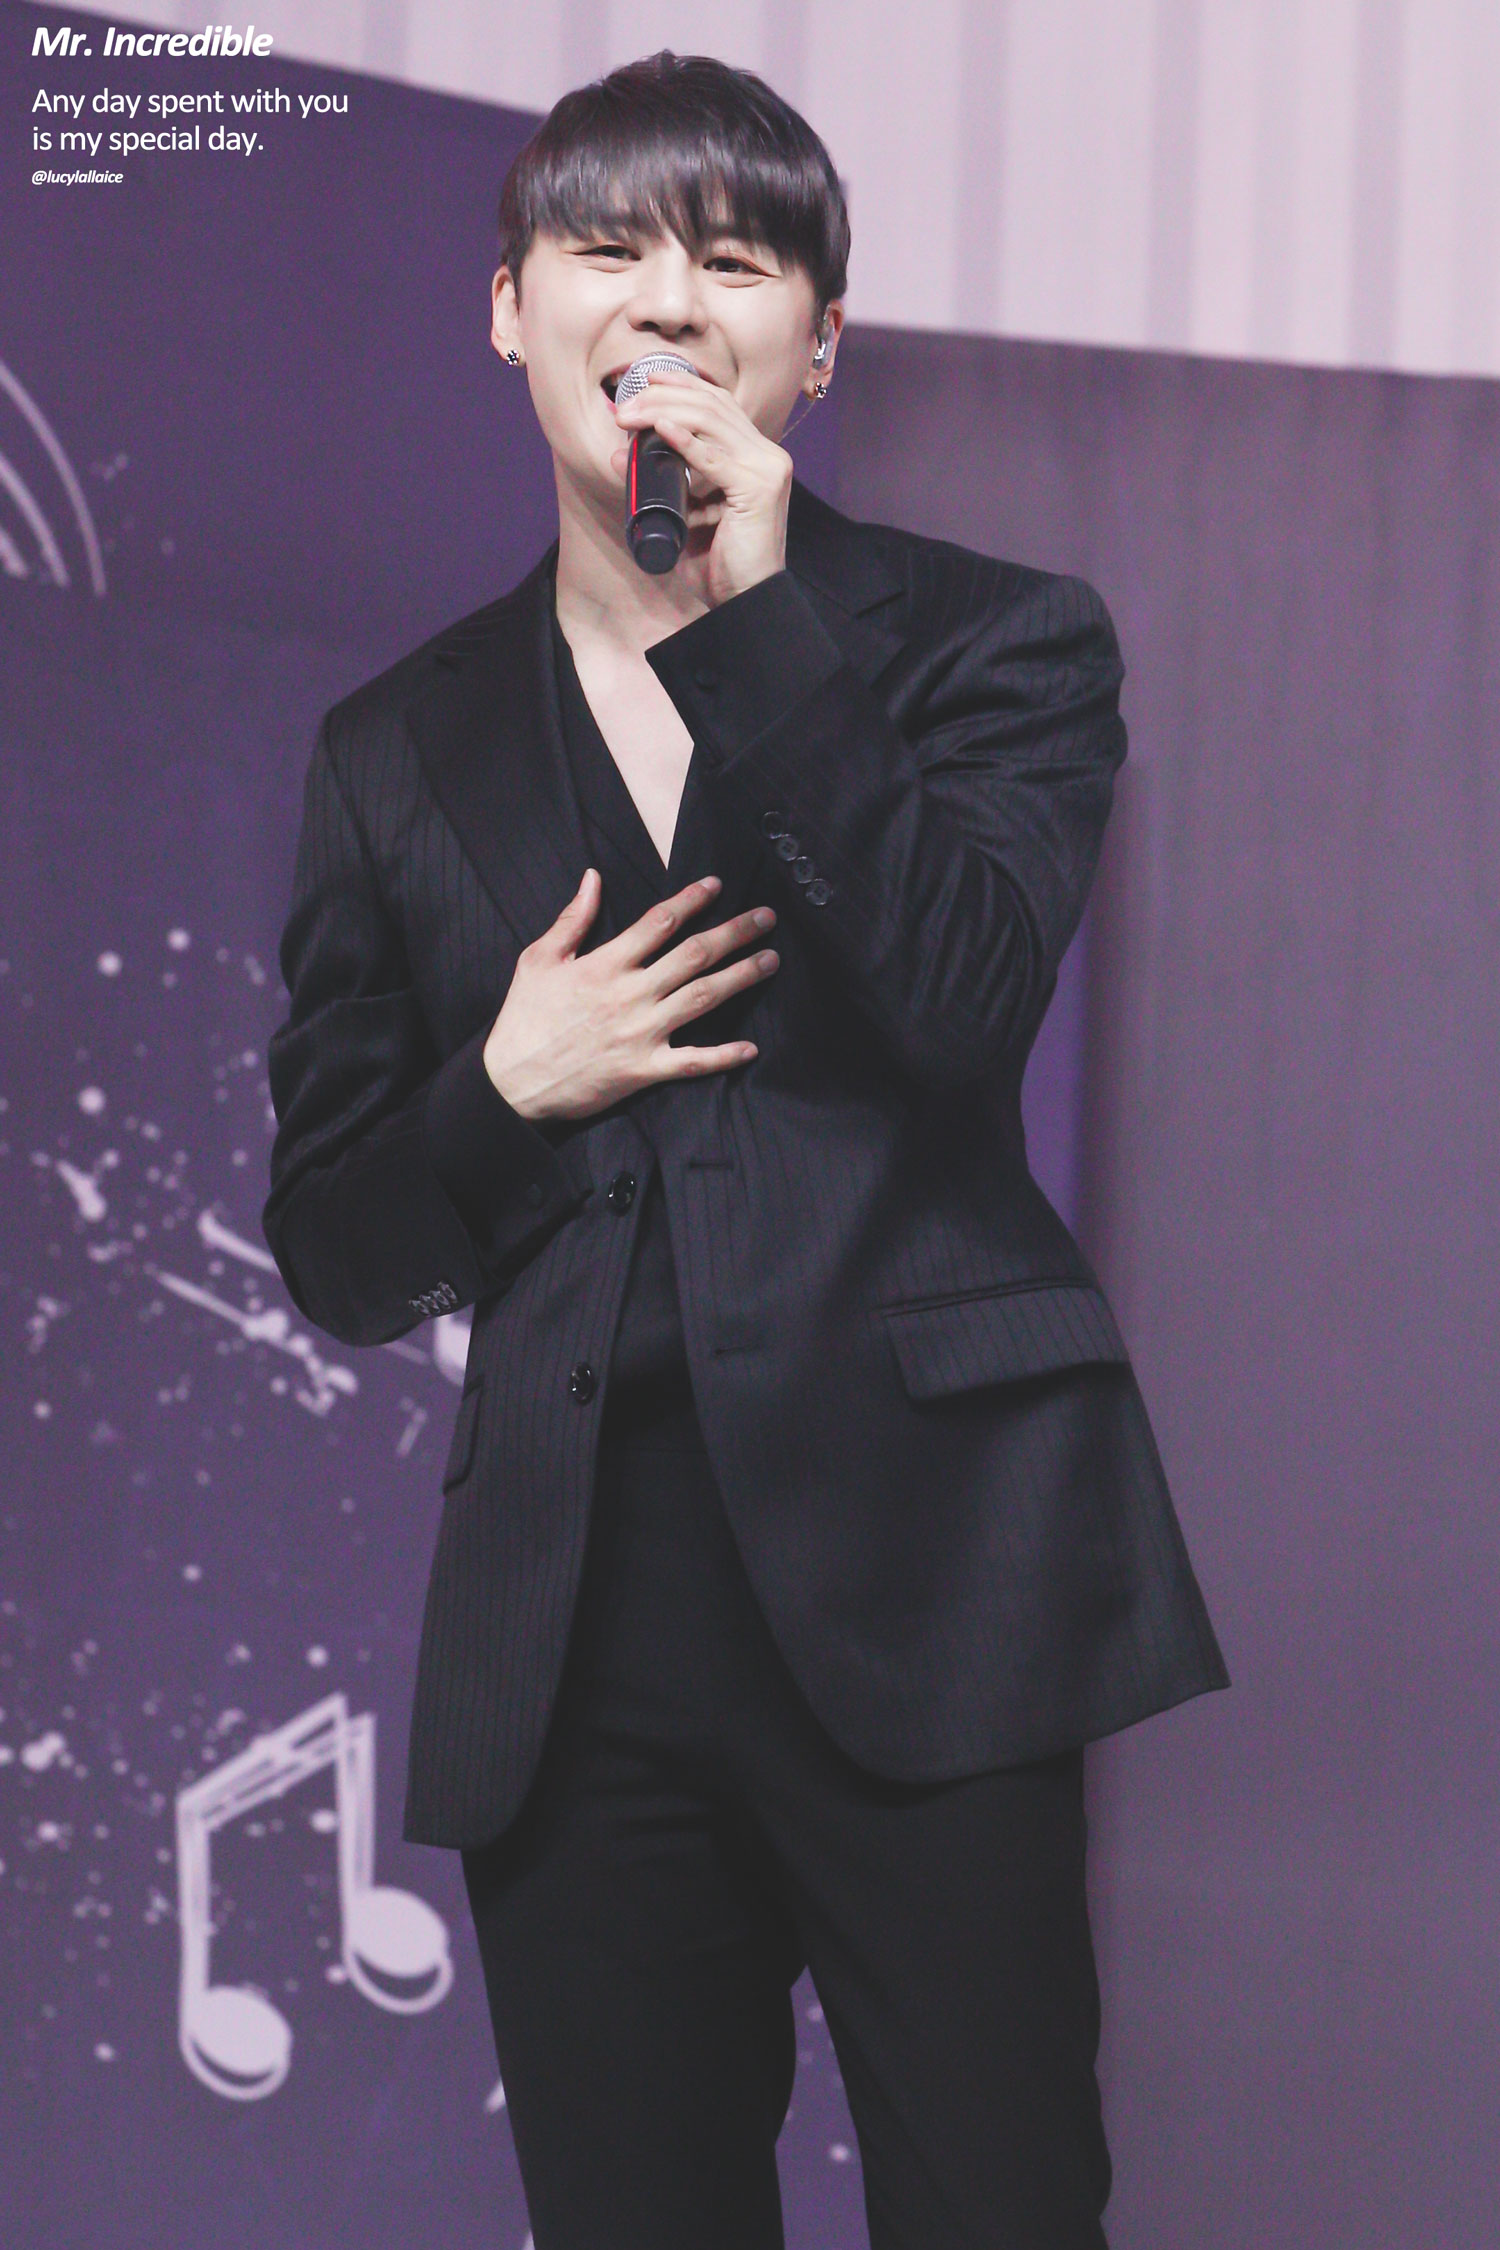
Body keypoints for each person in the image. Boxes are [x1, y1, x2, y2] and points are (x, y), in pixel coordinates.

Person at [262, 48, 1227, 2250]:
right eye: (608, 247)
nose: (671, 302)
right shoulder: (392, 746)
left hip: (933, 1582)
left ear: (822, 342)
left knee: (1004, 2210)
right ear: (508, 308)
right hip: (574, 1636)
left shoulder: (993, 641)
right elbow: (335, 1242)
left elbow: (965, 994)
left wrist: (766, 626)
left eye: (737, 260)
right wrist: (503, 1085)